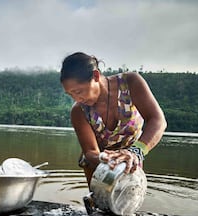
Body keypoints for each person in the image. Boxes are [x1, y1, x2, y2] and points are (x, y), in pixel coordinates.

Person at [60, 52, 167, 184]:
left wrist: (135, 152)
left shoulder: (130, 83)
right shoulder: (78, 111)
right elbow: (90, 152)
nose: (77, 99)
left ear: (96, 76)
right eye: (70, 94)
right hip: (99, 163)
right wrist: (108, 159)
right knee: (99, 201)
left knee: (129, 200)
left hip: (130, 160)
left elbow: (157, 120)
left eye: (78, 91)